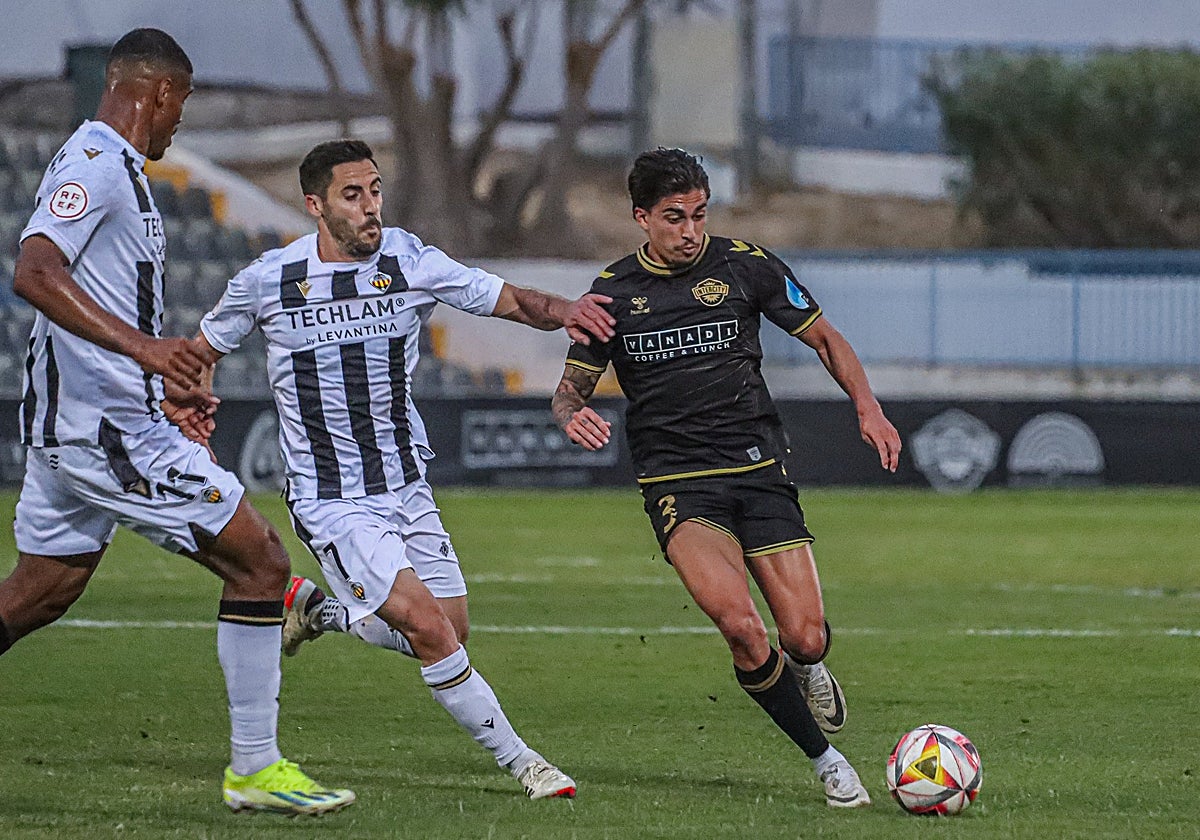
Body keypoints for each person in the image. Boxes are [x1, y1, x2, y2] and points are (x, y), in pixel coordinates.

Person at [185, 138, 615, 800]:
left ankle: (316, 610)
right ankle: (527, 763)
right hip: (332, 499)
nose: (370, 207)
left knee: (450, 627)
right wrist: (192, 411)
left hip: (406, 484)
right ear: (316, 205)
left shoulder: (408, 260)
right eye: (352, 195)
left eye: (375, 191)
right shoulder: (269, 280)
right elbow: (200, 349)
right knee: (429, 628)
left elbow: (503, 298)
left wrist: (565, 311)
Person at [0, 29, 354, 816]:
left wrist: (158, 380)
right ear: (158, 92)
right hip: (103, 432)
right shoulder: (95, 163)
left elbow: (98, 293)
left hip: (96, 422)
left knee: (38, 595)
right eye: (182, 103)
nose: (180, 121)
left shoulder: (119, 170)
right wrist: (147, 353)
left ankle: (257, 772)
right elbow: (34, 269)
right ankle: (255, 770)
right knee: (262, 563)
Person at [550, 147, 902, 809]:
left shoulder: (746, 265)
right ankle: (828, 764)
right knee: (741, 627)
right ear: (642, 218)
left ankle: (807, 665)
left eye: (700, 215)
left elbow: (825, 337)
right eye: (675, 218)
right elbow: (569, 390)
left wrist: (867, 405)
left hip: (757, 468)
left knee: (805, 635)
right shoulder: (614, 294)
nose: (690, 231)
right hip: (679, 484)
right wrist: (571, 413)